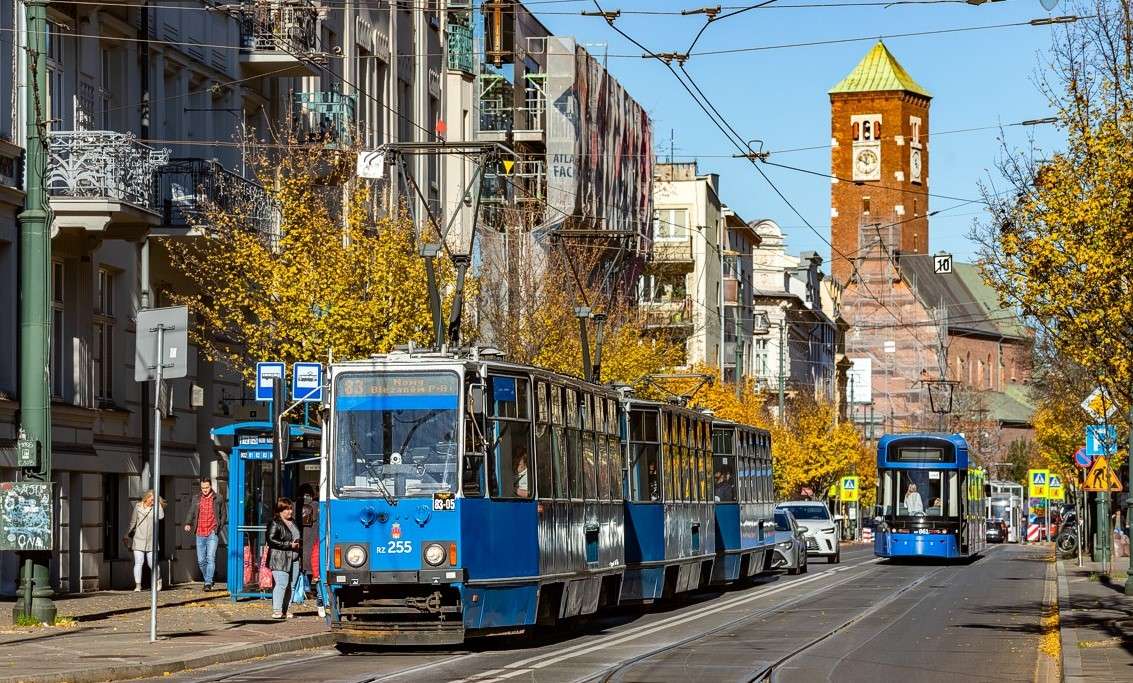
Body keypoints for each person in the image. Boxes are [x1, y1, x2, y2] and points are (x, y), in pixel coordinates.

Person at [183, 477, 226, 591]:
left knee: (210, 557)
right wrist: (188, 523)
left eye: (207, 487)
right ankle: (210, 578)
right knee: (201, 560)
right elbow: (191, 511)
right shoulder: (196, 498)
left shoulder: (218, 498)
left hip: (212, 532)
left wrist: (217, 529)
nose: (205, 490)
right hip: (200, 532)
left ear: (210, 486)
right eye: (203, 488)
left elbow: (223, 515)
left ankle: (207, 583)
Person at [266, 498, 301, 619]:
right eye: (286, 509)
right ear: (280, 511)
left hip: (295, 558)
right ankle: (277, 610)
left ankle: (286, 610)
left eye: (290, 508)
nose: (289, 511)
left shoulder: (293, 522)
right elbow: (271, 540)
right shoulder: (275, 522)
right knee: (282, 583)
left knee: (291, 585)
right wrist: (289, 544)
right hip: (280, 558)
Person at [127, 490, 165, 592]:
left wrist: (158, 504)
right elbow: (133, 521)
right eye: (152, 499)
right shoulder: (138, 506)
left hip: (151, 540)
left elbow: (161, 517)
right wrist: (127, 534)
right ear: (147, 497)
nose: (153, 501)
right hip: (139, 538)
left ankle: (158, 580)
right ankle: (138, 585)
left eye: (155, 500)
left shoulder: (155, 508)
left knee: (152, 563)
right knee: (139, 562)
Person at [297, 484, 324, 618]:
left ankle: (305, 589)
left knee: (304, 567)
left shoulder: (296, 506)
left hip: (303, 541)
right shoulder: (319, 505)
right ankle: (312, 592)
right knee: (317, 570)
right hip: (316, 540)